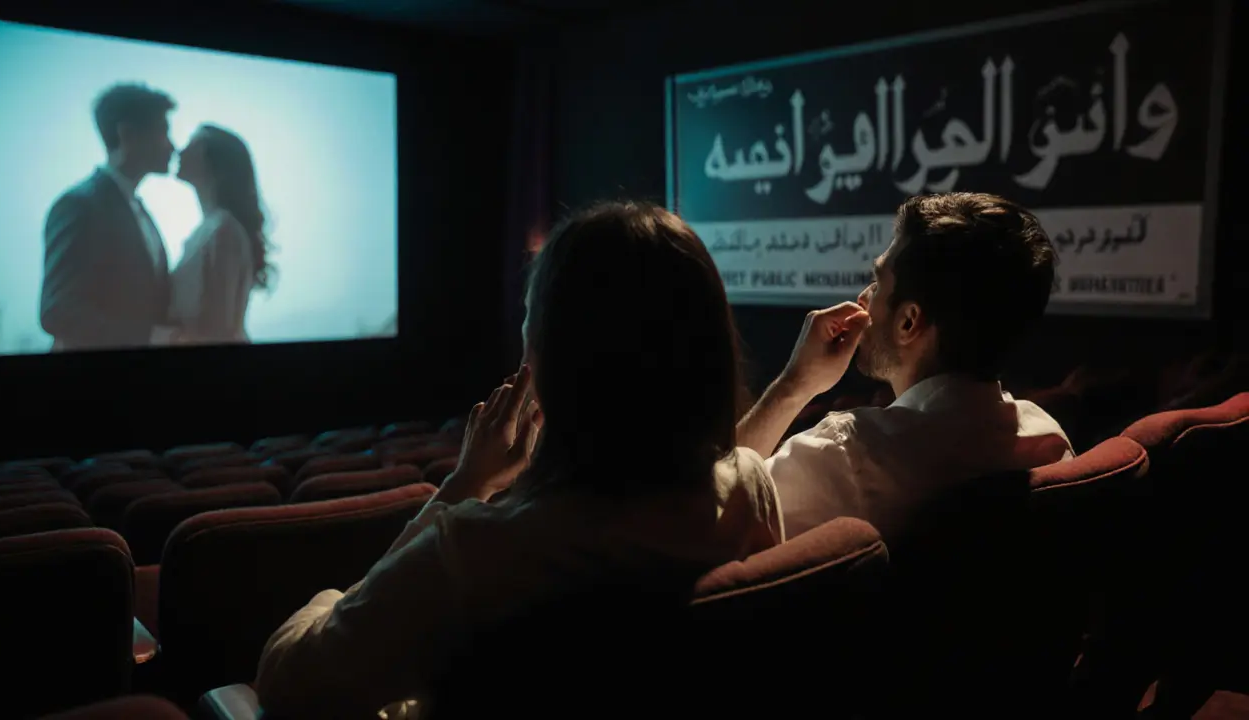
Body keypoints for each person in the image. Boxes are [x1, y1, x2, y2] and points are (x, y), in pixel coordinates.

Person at [255, 201, 784, 717]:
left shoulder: (471, 553)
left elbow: (291, 680)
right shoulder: (749, 487)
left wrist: (462, 486)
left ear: (551, 361)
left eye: (532, 321)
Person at [738, 192, 1074, 547]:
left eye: (878, 281)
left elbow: (704, 513)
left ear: (908, 322)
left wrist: (794, 385)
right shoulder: (1050, 441)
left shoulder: (843, 458)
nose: (864, 296)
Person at [40, 83, 176, 351]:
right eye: (163, 132)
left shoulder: (140, 211)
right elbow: (58, 311)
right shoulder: (79, 205)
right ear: (127, 134)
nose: (172, 147)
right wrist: (151, 337)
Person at [168, 124, 274, 344]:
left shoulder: (223, 230)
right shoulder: (210, 230)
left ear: (214, 161)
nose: (181, 151)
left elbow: (218, 331)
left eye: (194, 144)